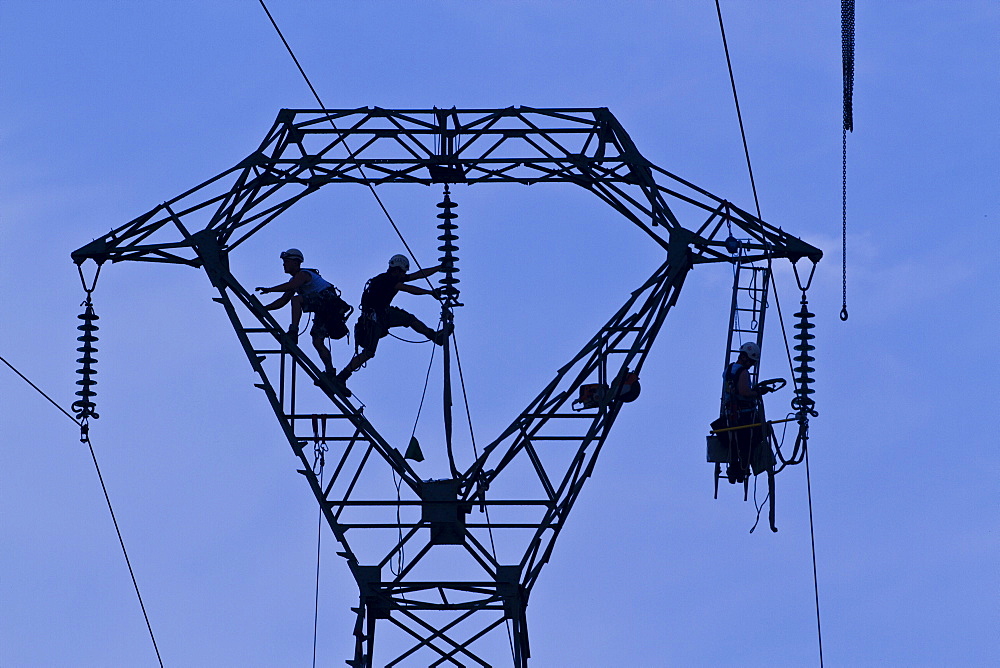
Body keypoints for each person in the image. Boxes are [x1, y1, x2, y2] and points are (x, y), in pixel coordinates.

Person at [336, 254, 451, 387]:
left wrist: (439, 267)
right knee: (369, 352)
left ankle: (435, 337)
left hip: (381, 315)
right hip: (374, 319)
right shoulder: (386, 280)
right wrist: (430, 293)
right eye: (402, 272)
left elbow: (417, 275)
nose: (404, 275)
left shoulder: (391, 278)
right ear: (397, 270)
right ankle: (342, 377)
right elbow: (408, 289)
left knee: (409, 319)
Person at [256, 248, 352, 374]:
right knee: (317, 341)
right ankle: (330, 371)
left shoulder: (303, 275)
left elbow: (291, 288)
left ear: (296, 262)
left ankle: (293, 331)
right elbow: (283, 301)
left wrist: (269, 289)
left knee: (296, 300)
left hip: (327, 301)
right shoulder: (294, 281)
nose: (284, 264)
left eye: (286, 261)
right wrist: (264, 309)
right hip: (323, 308)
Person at [721, 341, 773, 483]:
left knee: (735, 443)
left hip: (730, 415)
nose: (751, 365)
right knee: (755, 437)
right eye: (751, 362)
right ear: (747, 358)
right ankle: (743, 468)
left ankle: (735, 468)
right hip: (743, 415)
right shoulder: (743, 372)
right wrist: (757, 392)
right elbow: (744, 391)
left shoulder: (729, 369)